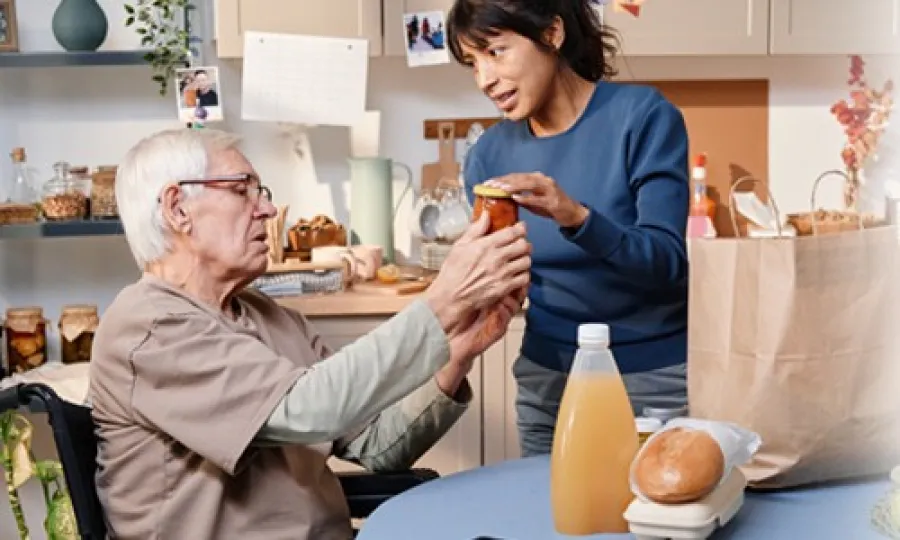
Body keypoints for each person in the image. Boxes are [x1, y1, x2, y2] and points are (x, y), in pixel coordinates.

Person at [89, 128, 532, 539]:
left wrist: (458, 349)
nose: (266, 208)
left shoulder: (267, 315)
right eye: (243, 190)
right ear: (177, 209)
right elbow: (311, 409)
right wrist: (441, 302)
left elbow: (377, 445)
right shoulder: (147, 328)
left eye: (260, 192)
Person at [446, 0, 690, 457]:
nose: (484, 79)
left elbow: (668, 263)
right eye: (472, 63)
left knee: (655, 521)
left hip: (652, 382)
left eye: (496, 52)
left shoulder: (643, 118)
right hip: (548, 381)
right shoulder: (488, 156)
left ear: (552, 34)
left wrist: (576, 217)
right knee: (551, 520)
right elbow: (504, 278)